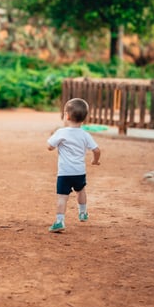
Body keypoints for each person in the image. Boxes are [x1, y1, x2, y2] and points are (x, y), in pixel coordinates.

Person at [47, 98, 100, 232]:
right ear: (84, 118)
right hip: (79, 171)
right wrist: (95, 160)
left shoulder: (61, 132)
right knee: (80, 190)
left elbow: (49, 147)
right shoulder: (85, 135)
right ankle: (83, 213)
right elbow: (96, 150)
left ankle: (59, 221)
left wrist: (55, 142)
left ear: (67, 116)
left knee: (62, 197)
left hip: (64, 173)